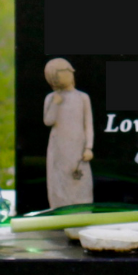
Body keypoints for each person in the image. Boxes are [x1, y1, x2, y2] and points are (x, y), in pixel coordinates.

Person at [42, 57, 93, 208]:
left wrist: (88, 147)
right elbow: (48, 121)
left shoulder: (82, 98)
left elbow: (88, 124)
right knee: (59, 179)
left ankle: (81, 209)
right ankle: (59, 208)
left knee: (79, 179)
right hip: (59, 148)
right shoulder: (51, 98)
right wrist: (56, 105)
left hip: (77, 148)